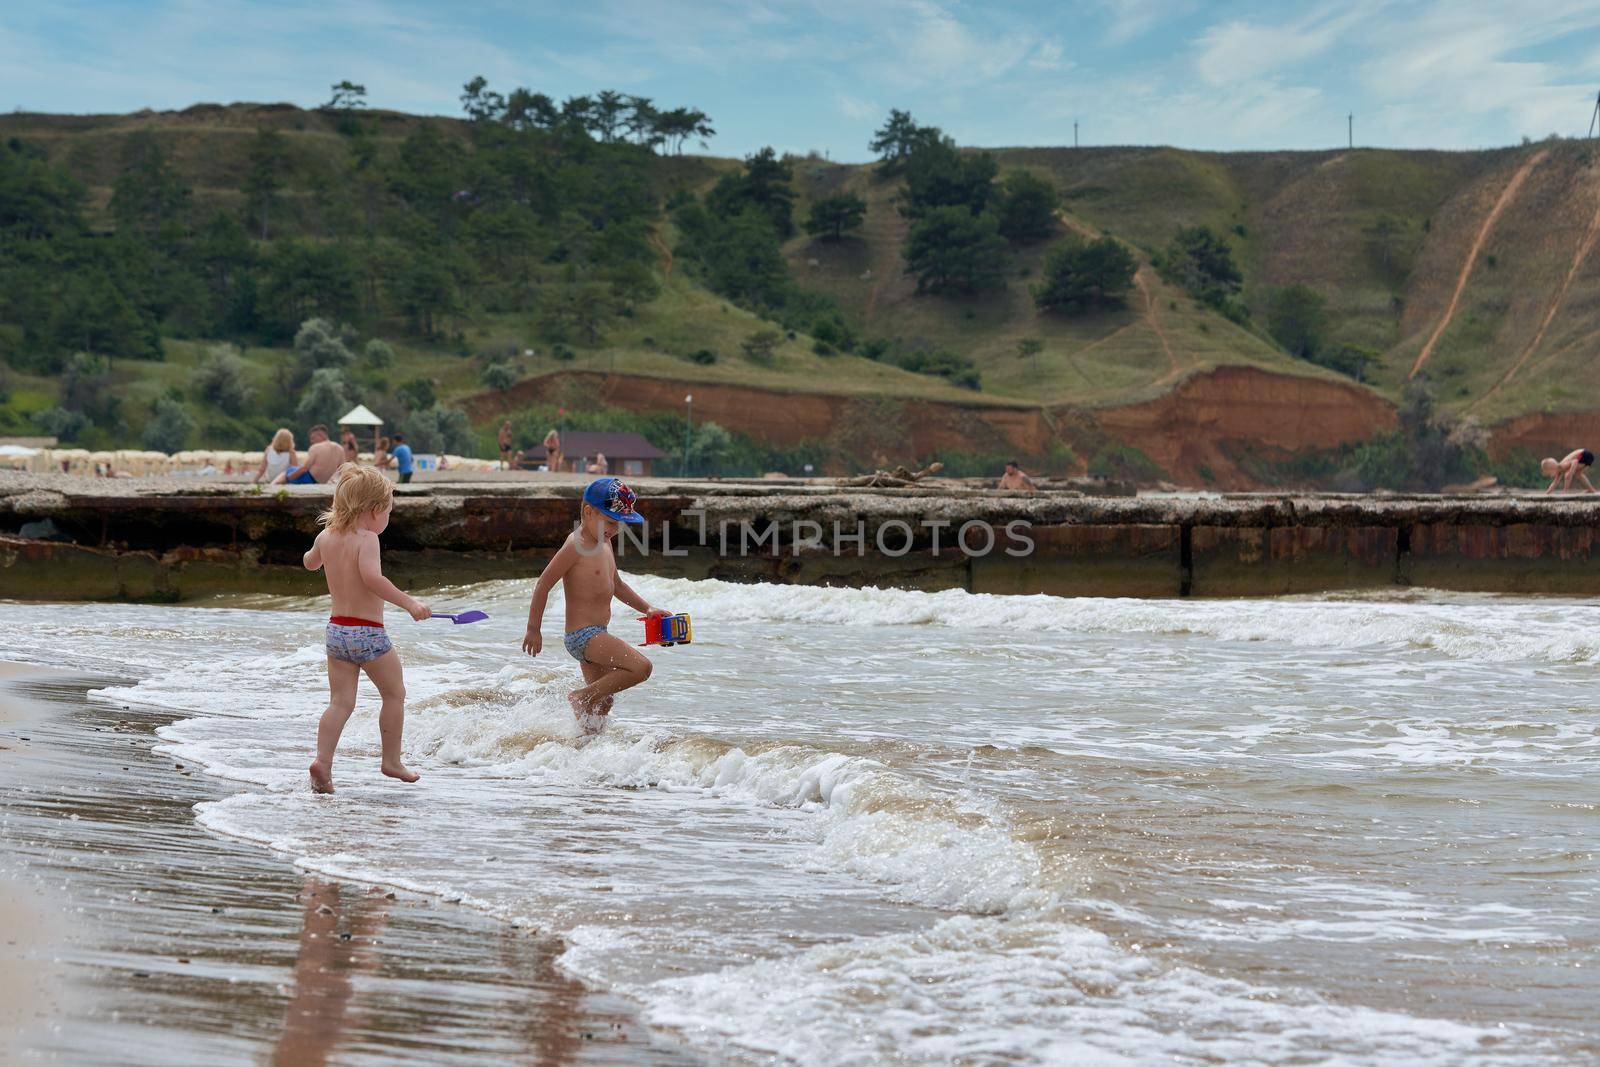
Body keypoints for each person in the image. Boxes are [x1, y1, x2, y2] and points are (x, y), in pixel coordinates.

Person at [302, 463, 431, 794]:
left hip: (336, 632)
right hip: (368, 633)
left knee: (340, 703)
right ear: (374, 511)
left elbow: (310, 562)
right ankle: (391, 761)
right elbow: (373, 579)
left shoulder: (326, 536)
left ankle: (323, 763)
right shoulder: (368, 539)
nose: (387, 519)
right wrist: (411, 604)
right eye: (388, 511)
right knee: (394, 693)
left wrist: (314, 554)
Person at [520, 477, 670, 736]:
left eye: (619, 524)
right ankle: (580, 697)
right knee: (641, 668)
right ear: (588, 512)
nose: (615, 529)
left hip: (596, 633)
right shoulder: (575, 544)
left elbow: (618, 585)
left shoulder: (605, 542)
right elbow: (544, 584)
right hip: (584, 636)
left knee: (603, 703)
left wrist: (647, 609)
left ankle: (585, 749)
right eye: (611, 521)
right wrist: (534, 629)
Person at [278, 426, 346, 485]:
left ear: (321, 435)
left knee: (290, 470)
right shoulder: (340, 448)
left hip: (311, 480)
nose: (311, 441)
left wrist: (288, 478)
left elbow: (305, 469)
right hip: (329, 482)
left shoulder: (316, 447)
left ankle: (272, 486)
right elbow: (342, 469)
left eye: (313, 438)